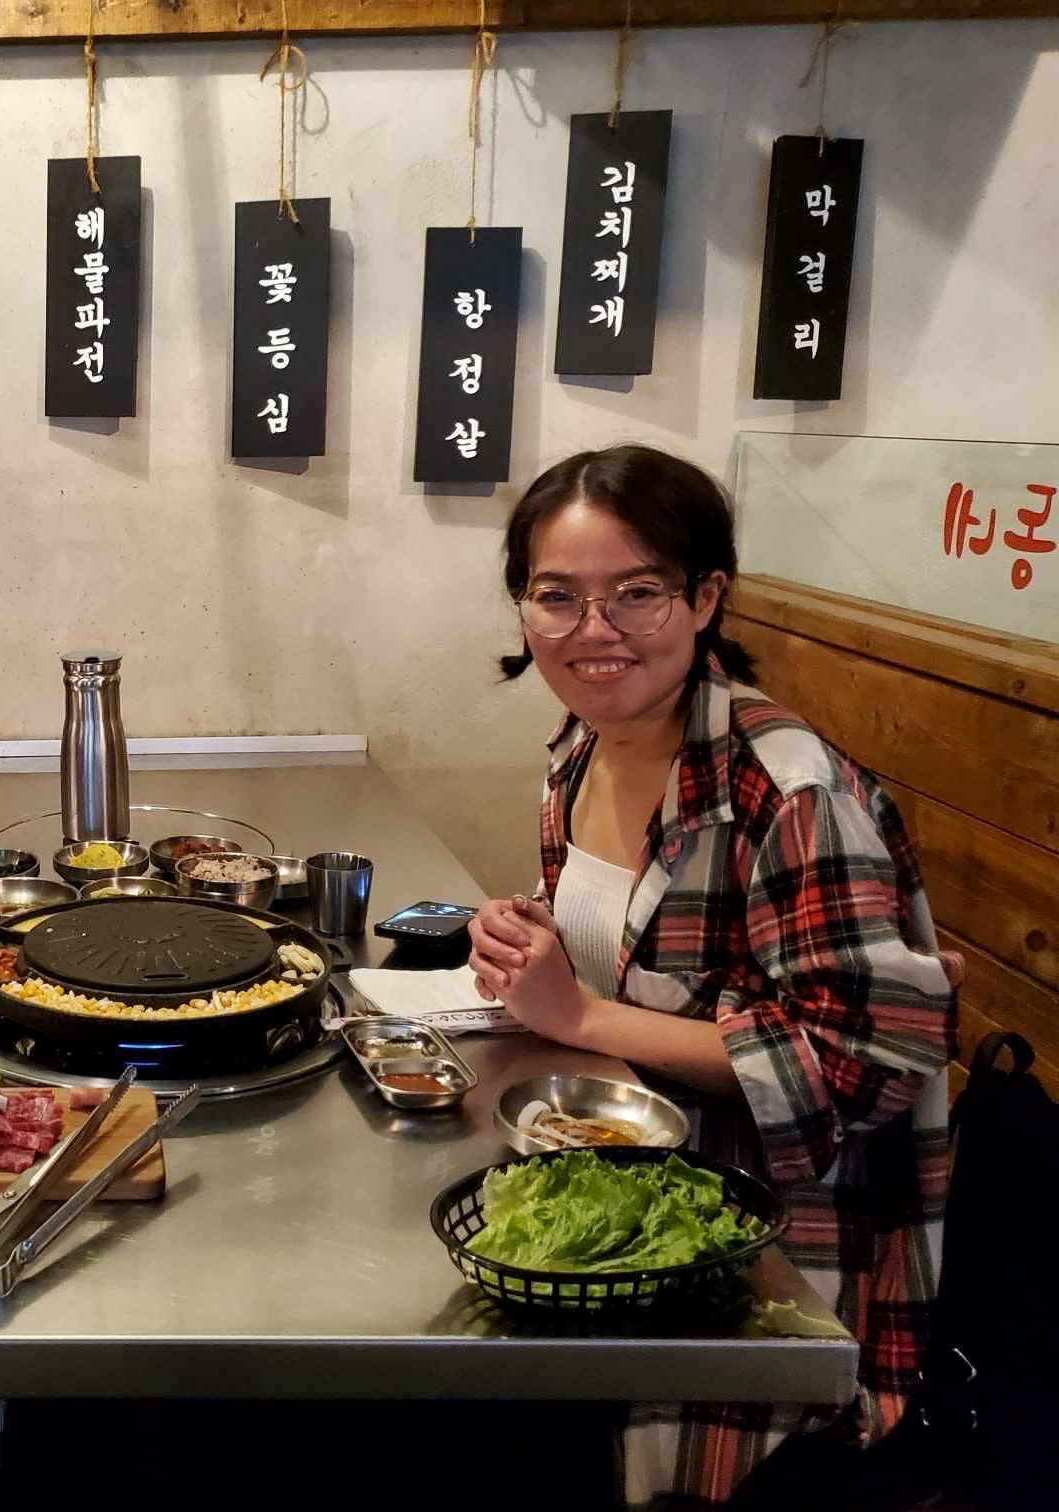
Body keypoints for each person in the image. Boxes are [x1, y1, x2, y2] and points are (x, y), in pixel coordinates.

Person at [465, 445, 958, 1509]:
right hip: (617, 1188)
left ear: (705, 599)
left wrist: (582, 1012)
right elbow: (657, 953)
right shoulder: (582, 748)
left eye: (637, 594)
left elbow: (867, 1062)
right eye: (558, 596)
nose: (595, 632)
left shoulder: (785, 788)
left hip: (774, 1251)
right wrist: (534, 941)